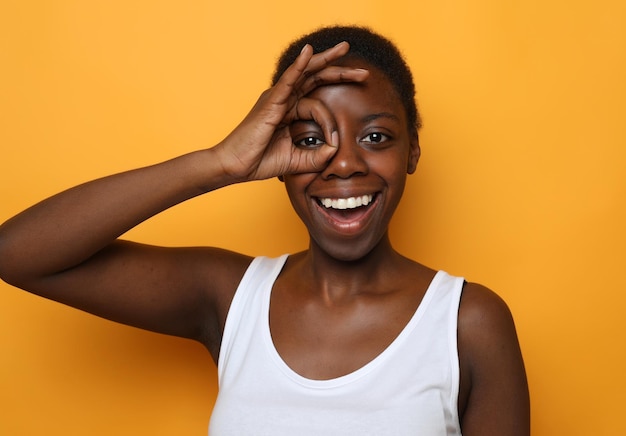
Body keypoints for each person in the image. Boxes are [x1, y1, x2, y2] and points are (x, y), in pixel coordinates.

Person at [0, 26, 529, 435]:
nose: (343, 164)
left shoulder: (467, 323)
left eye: (375, 136)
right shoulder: (232, 298)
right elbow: (17, 254)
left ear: (412, 149)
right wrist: (220, 162)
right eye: (308, 140)